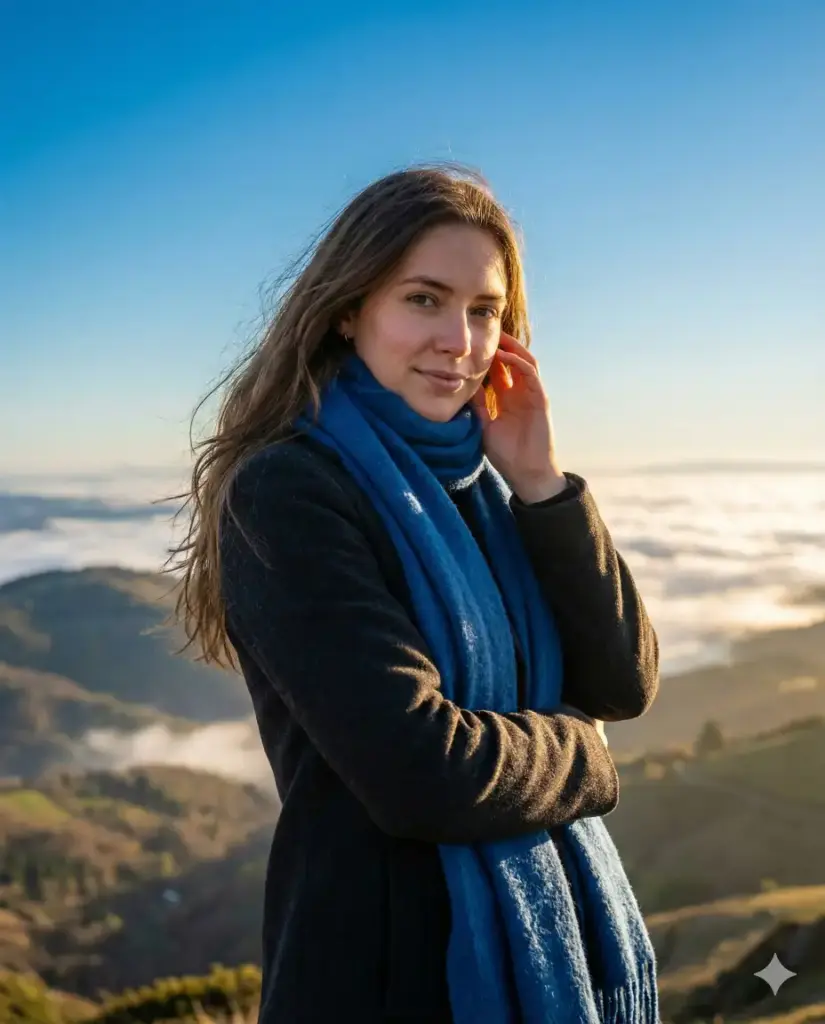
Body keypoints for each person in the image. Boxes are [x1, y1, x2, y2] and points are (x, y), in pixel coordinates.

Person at [167, 163, 661, 1023]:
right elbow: (421, 773)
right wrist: (584, 756)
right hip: (386, 973)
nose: (460, 343)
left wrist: (543, 484)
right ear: (349, 307)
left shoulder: (488, 488)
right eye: (423, 300)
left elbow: (622, 682)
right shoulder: (290, 490)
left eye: (484, 312)